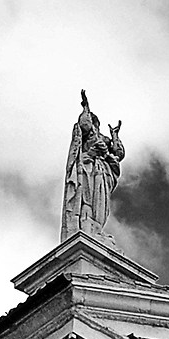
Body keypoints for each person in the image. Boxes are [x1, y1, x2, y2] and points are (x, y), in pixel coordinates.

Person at [60, 91, 125, 239]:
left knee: (101, 203)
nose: (92, 125)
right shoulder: (86, 134)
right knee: (86, 198)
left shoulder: (103, 138)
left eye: (94, 122)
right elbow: (84, 124)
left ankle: (95, 228)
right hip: (88, 167)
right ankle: (86, 225)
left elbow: (118, 154)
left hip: (102, 170)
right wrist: (85, 107)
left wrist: (115, 136)